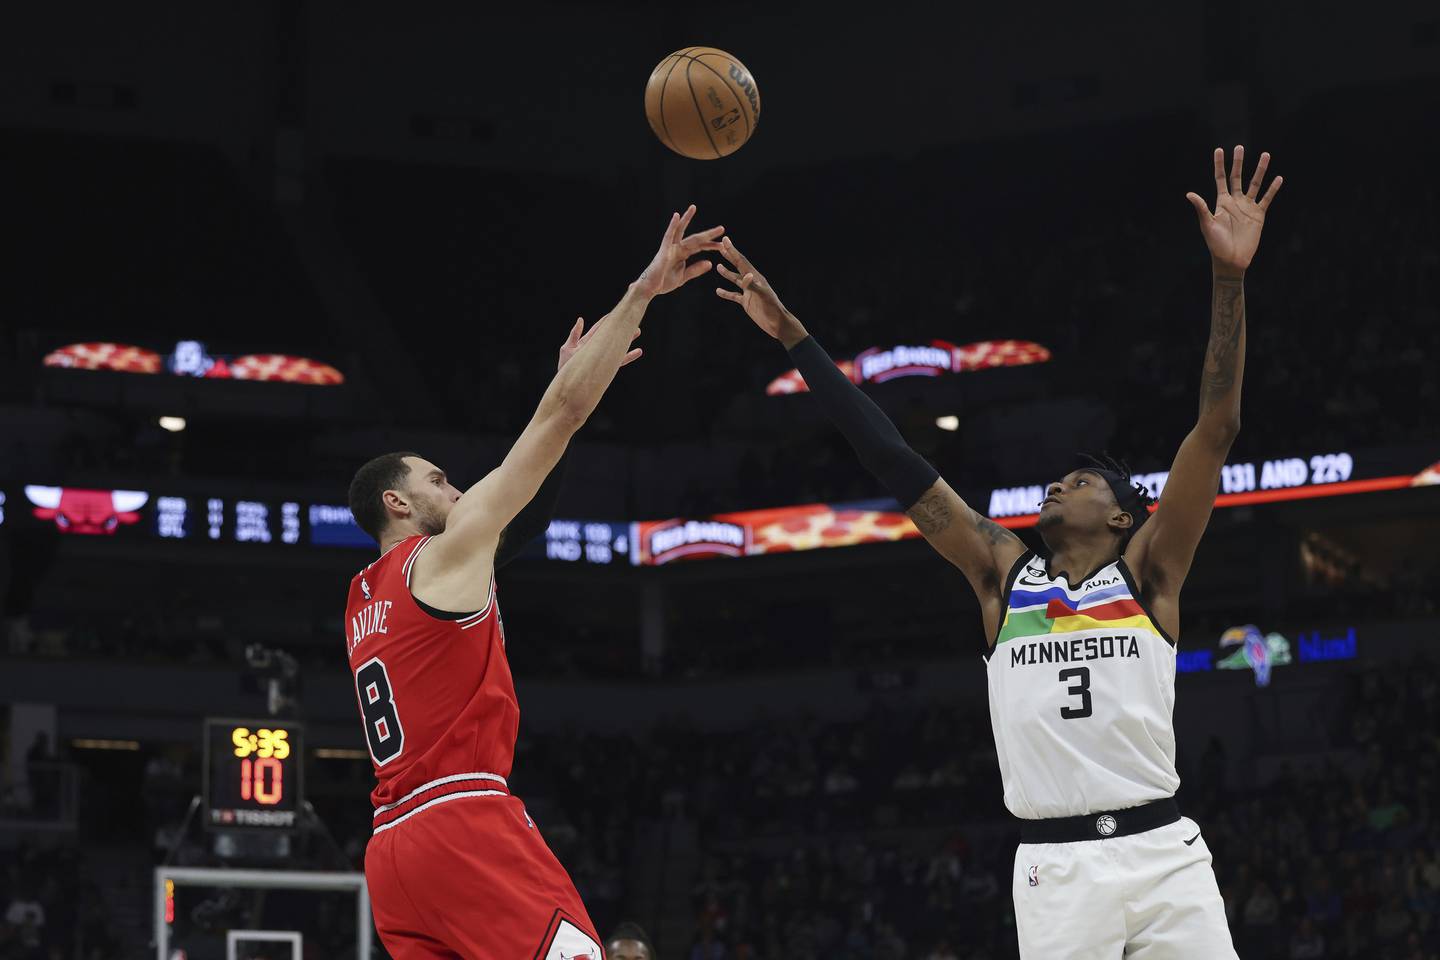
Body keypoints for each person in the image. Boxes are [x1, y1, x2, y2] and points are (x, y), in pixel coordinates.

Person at [715, 147, 1282, 958]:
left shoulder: (1152, 572)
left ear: (1124, 517)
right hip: (1056, 868)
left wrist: (1229, 281)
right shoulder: (1000, 575)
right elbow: (897, 463)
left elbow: (1216, 428)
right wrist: (797, 339)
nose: (1059, 484)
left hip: (1166, 857)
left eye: (1082, 481)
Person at [344, 205, 723, 959]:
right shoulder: (445, 555)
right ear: (397, 501)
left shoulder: (361, 596)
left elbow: (524, 522)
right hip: (463, 822)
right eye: (439, 479)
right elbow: (561, 414)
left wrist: (571, 388)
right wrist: (642, 292)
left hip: (391, 852)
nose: (456, 491)